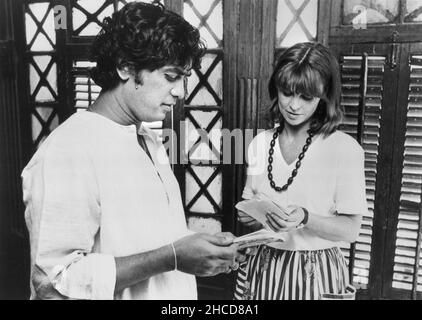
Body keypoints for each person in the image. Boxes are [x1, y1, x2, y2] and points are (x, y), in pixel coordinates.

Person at [22, 2, 243, 300]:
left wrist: (202, 248)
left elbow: (148, 240)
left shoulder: (148, 139)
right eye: (171, 76)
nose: (180, 92)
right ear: (125, 66)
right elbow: (53, 281)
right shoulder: (68, 150)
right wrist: (172, 257)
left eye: (183, 79)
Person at [234, 42, 367, 300]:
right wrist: (250, 216)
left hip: (316, 274)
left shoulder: (344, 149)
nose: (294, 105)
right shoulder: (259, 144)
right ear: (276, 89)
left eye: (306, 97)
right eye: (287, 93)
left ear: (324, 96)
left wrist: (305, 217)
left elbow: (351, 231)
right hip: (262, 266)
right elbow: (248, 204)